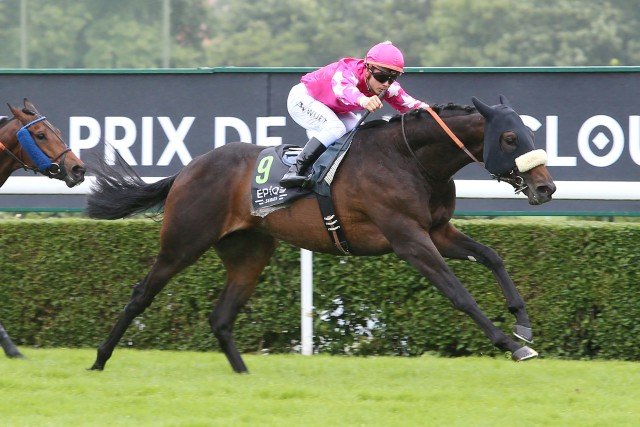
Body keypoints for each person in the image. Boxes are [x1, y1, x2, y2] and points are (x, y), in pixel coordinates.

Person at [280, 41, 430, 188]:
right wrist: (363, 100)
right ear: (368, 69)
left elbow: (412, 105)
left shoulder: (388, 87)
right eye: (382, 77)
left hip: (331, 107)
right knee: (335, 128)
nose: (386, 84)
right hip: (303, 99)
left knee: (360, 133)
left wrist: (436, 113)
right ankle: (295, 170)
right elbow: (343, 89)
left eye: (393, 78)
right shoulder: (348, 70)